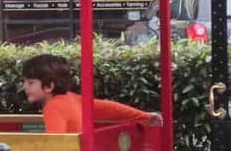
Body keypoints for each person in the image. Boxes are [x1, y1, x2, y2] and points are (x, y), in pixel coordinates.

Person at [21, 54, 161, 134]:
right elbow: (112, 108)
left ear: (49, 86)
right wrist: (146, 116)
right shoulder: (72, 99)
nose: (25, 86)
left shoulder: (52, 107)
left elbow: (55, 144)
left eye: (31, 83)